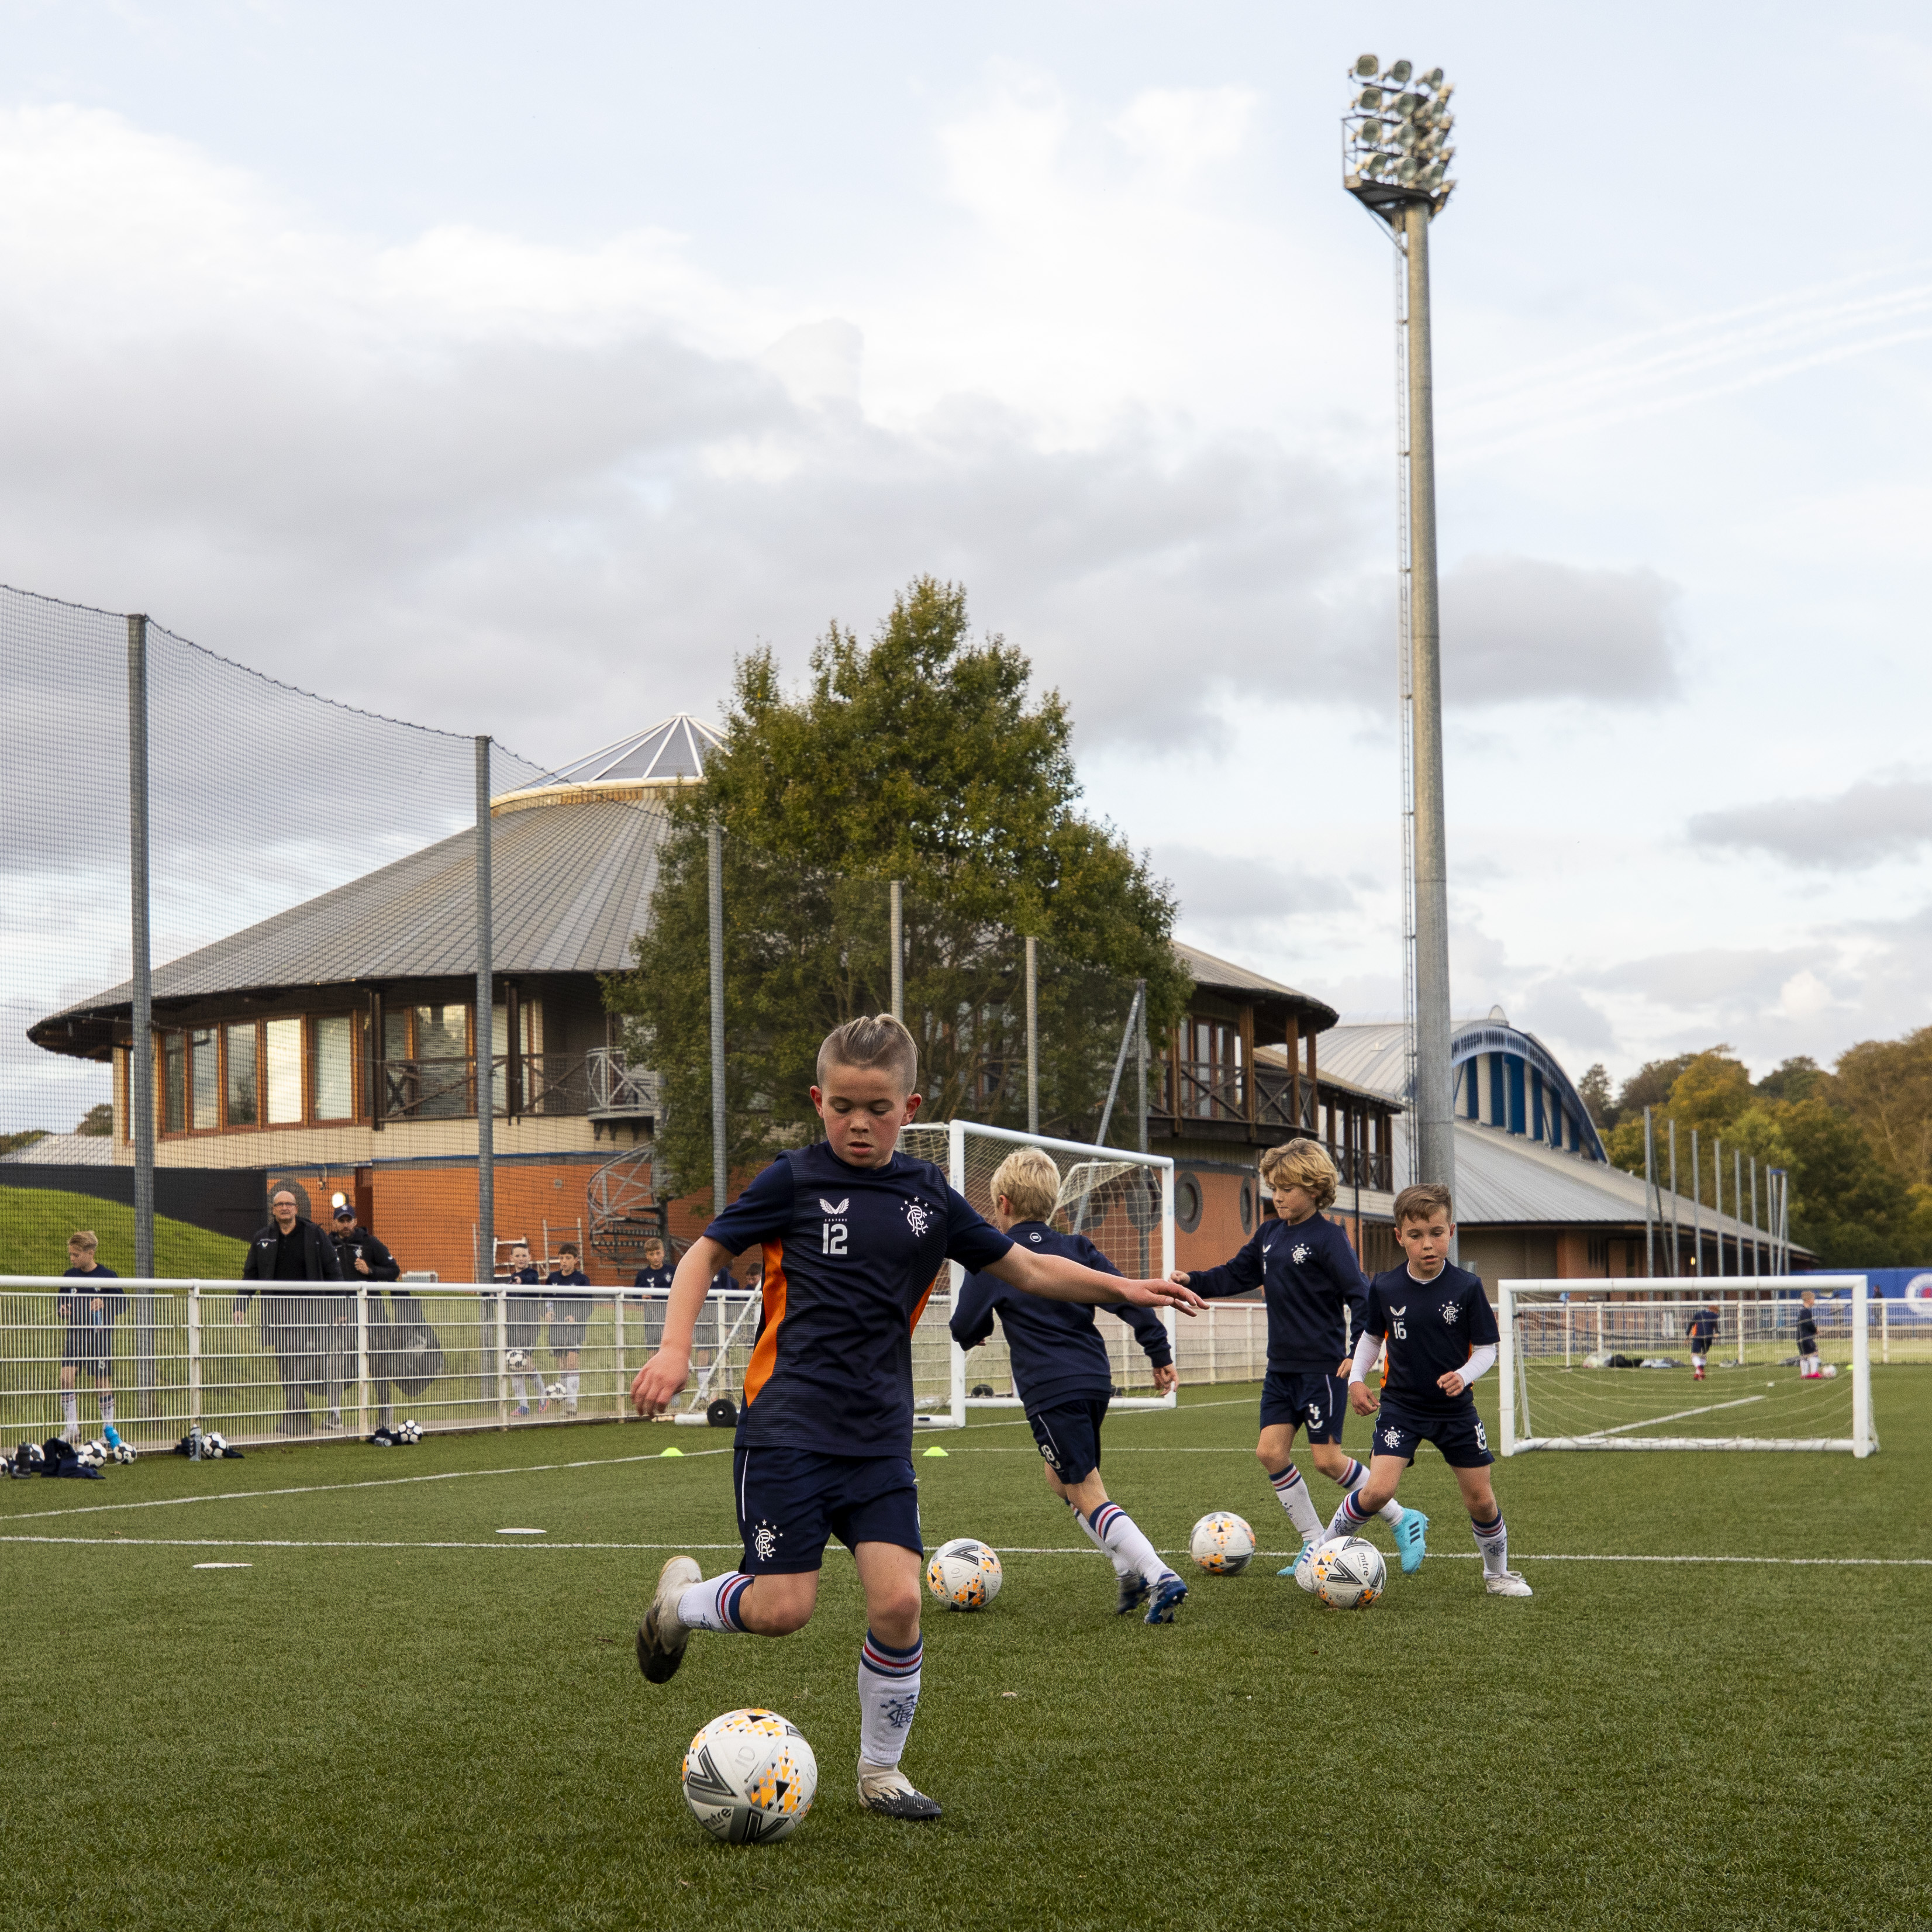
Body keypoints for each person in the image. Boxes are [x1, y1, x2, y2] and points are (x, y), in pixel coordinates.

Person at [630, 1013, 1202, 1822]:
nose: (859, 1123)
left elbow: (1031, 1268)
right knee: (784, 1610)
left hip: (877, 1440)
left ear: (911, 1106)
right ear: (817, 1101)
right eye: (842, 1106)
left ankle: (880, 1773)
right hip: (786, 1430)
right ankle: (680, 1606)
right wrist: (674, 1349)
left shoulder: (930, 1196)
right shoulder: (791, 1181)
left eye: (879, 1107)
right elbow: (703, 1253)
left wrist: (1129, 1291)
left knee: (898, 1604)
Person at [951, 1145, 1186, 1622]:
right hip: (1095, 1380)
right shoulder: (1078, 1249)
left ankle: (1158, 1574)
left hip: (1049, 1388)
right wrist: (1158, 1352)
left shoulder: (996, 1259)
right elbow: (1129, 1296)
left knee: (1084, 1487)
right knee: (1059, 1479)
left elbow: (962, 1326)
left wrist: (979, 1331)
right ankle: (1127, 1572)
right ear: (1054, 1203)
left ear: (1003, 1203)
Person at [1171, 1139, 1427, 1576]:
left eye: (1287, 1187)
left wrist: (1354, 1357)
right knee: (1270, 1453)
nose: (1279, 1196)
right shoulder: (1270, 1234)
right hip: (1281, 1369)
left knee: (1327, 1460)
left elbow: (1362, 1299)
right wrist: (1191, 1280)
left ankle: (1403, 1519)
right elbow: (1236, 1273)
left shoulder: (1329, 1239)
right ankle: (1314, 1543)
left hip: (1322, 1370)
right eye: (1274, 1187)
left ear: (1314, 1187)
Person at [1321, 1182, 1532, 1598]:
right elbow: (1371, 1339)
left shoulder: (1467, 1288)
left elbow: (1488, 1350)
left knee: (1481, 1501)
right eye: (1416, 1236)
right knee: (1379, 1490)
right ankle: (1322, 1556)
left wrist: (1464, 1374)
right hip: (1401, 1406)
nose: (1428, 1244)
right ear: (1400, 1237)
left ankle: (1497, 1575)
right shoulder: (1384, 1286)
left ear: (1450, 1232)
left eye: (1436, 1233)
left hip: (1456, 1411)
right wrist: (1358, 1379)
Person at [234, 1188, 345, 1435]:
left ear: (297, 1208)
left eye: (289, 1204)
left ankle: (334, 1412)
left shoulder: (315, 1234)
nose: (285, 1208)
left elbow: (333, 1271)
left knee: (328, 1360)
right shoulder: (263, 1238)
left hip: (315, 1311)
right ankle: (297, 1412)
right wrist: (241, 1305)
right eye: (279, 1204)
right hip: (279, 1313)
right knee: (287, 1363)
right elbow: (250, 1274)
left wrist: (339, 1307)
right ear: (273, 1210)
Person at [58, 1231, 122, 1447]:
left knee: (101, 1383)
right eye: (71, 1254)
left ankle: (108, 1430)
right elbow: (60, 1302)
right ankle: (72, 1428)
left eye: (76, 1255)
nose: (72, 1258)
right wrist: (63, 1309)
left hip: (99, 1338)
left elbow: (123, 1304)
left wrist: (105, 1304)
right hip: (76, 1336)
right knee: (66, 1377)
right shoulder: (69, 1276)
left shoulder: (108, 1276)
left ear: (90, 1253)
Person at [546, 1241, 593, 1417]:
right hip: (557, 1329)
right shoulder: (552, 1278)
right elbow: (546, 1300)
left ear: (576, 1260)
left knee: (572, 1363)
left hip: (575, 1329)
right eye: (561, 1258)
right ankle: (565, 1404)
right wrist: (548, 1312)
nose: (564, 1261)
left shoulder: (582, 1280)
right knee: (562, 1366)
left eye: (568, 1258)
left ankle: (573, 1403)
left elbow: (589, 1306)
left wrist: (576, 1317)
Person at [503, 1241, 548, 1416]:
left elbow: (530, 1281)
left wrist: (521, 1281)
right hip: (512, 1327)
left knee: (527, 1362)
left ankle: (543, 1396)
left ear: (529, 1257)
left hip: (528, 1326)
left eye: (524, 1256)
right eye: (518, 1256)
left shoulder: (532, 1274)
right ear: (511, 1258)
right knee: (514, 1364)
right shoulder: (511, 1279)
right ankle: (523, 1406)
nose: (521, 1259)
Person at [1688, 1299, 1719, 1382]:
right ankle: (1698, 1375)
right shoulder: (1714, 1315)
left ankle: (1699, 1368)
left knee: (1693, 1355)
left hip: (1698, 1336)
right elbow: (1715, 1324)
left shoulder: (1699, 1313)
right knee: (1704, 1354)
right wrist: (1717, 1332)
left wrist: (1687, 1334)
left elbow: (1691, 1323)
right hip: (1709, 1337)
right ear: (1714, 1310)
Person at [1797, 1290, 1821, 1378]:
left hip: (1800, 1337)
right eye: (1813, 1299)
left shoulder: (1802, 1310)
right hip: (1806, 1337)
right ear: (1809, 1300)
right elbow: (1808, 1324)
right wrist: (1815, 1330)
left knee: (1804, 1355)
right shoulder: (1806, 1311)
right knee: (1814, 1352)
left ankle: (1804, 1374)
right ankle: (1814, 1373)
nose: (1814, 1301)